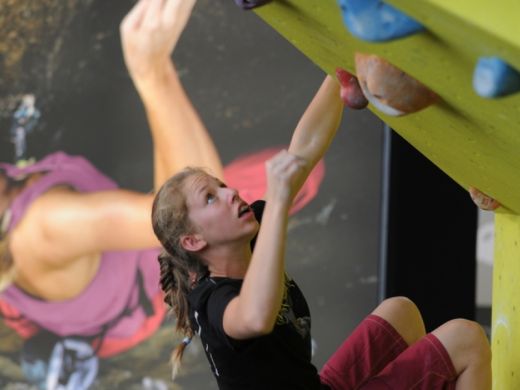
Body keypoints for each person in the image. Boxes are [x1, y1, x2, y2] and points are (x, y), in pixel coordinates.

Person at [150, 3, 492, 390]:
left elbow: (305, 150)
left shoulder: (255, 229)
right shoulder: (214, 303)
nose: (229, 194)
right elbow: (256, 316)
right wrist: (278, 200)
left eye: (222, 186)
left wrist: (342, 63)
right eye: (210, 198)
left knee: (402, 313)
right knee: (466, 340)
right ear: (194, 241)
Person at [0, 0, 323, 387]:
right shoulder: (47, 224)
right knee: (292, 174)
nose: (228, 194)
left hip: (89, 290)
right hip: (134, 293)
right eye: (214, 195)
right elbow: (186, 197)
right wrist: (152, 70)